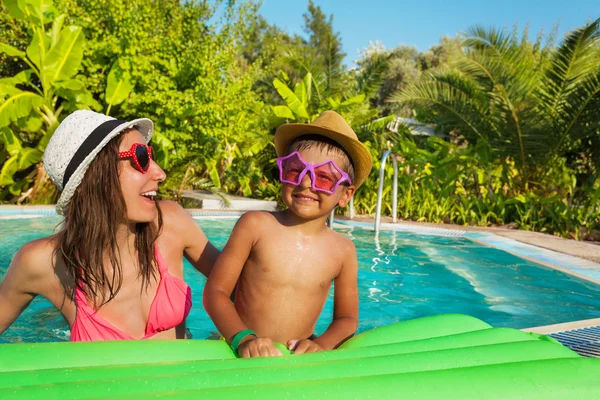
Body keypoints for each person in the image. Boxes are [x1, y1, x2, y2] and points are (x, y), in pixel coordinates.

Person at [0, 110, 219, 341]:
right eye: (141, 157)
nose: (160, 173)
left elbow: (244, 287)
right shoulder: (43, 262)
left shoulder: (171, 224)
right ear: (91, 178)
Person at [203, 110, 372, 357]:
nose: (305, 183)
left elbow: (346, 319)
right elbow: (215, 293)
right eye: (295, 170)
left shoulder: (343, 251)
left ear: (345, 194)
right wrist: (243, 338)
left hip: (292, 360)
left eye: (324, 178)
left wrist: (320, 346)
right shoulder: (255, 225)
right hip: (237, 348)